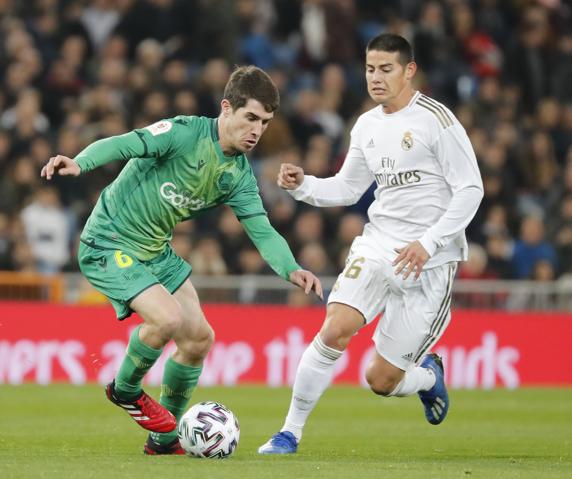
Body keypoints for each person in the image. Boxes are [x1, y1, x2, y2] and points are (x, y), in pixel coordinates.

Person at [41, 65, 323, 455]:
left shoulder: (237, 175)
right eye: (250, 118)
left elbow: (262, 230)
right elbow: (126, 143)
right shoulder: (183, 132)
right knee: (168, 318)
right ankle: (124, 390)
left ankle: (162, 439)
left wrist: (291, 268)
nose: (257, 130)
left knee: (198, 339)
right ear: (227, 108)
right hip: (108, 241)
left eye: (265, 122)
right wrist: (80, 161)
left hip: (155, 251)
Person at [258, 34, 484, 454]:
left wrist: (429, 243)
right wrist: (304, 185)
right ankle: (289, 432)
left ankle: (429, 377)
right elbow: (348, 188)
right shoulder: (366, 125)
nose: (375, 78)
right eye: (369, 69)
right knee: (335, 328)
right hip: (378, 245)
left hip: (429, 264)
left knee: (380, 380)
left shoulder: (437, 120)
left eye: (386, 69)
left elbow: (471, 190)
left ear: (408, 70)